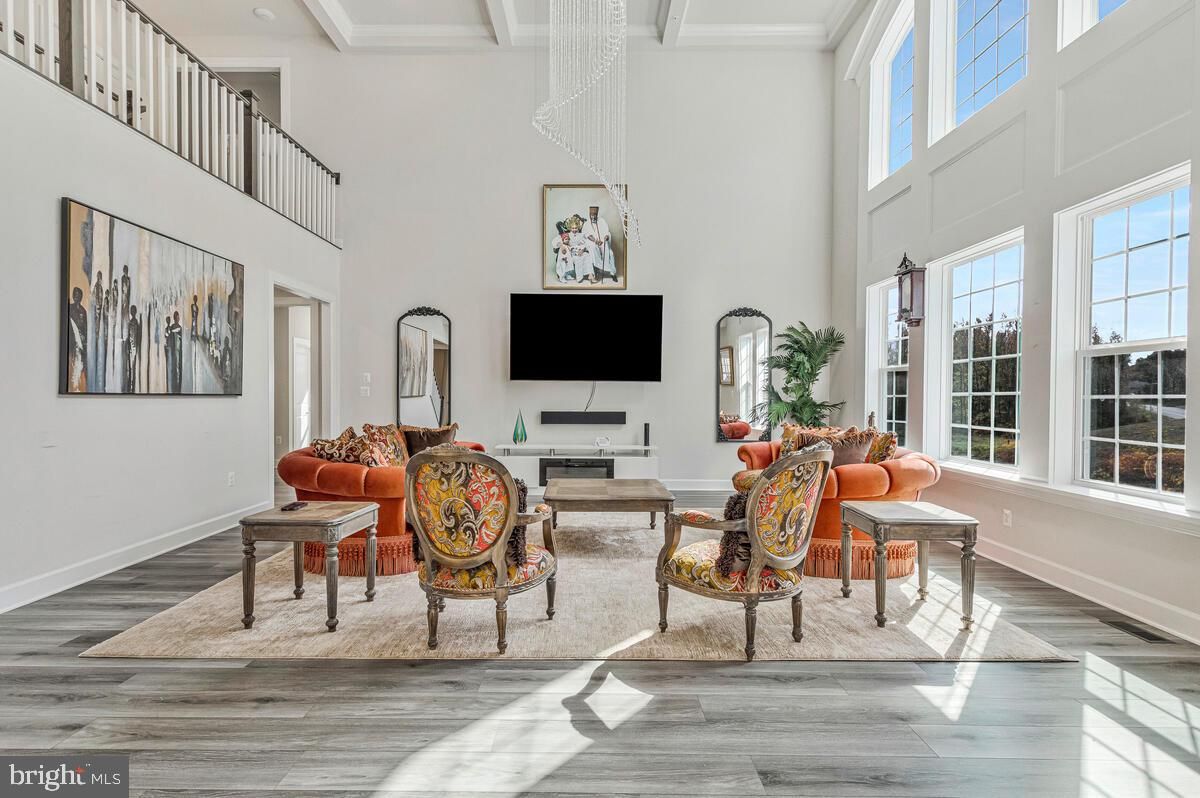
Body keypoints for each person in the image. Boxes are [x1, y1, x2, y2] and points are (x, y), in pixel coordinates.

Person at [584, 206, 617, 282]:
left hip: (603, 242)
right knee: (593, 249)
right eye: (591, 214)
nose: (593, 216)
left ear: (597, 214)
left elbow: (607, 232)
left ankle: (613, 273)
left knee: (611, 254)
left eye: (594, 214)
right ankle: (597, 271)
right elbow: (586, 235)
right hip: (593, 243)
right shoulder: (586, 224)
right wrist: (595, 241)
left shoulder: (602, 221)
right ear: (589, 214)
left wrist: (606, 237)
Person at [67, 287, 88, 391]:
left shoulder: (83, 311)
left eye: (78, 295)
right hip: (72, 342)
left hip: (81, 344)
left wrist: (84, 343)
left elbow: (85, 329)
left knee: (80, 367)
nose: (76, 296)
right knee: (72, 365)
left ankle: (78, 387)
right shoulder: (69, 309)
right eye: (74, 294)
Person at [124, 305, 141, 393]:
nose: (132, 312)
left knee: (133, 367)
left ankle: (132, 387)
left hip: (135, 348)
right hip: (130, 348)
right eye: (131, 310)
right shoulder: (129, 323)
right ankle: (129, 386)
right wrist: (127, 346)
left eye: (133, 310)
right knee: (129, 367)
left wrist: (137, 347)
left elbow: (138, 337)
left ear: (135, 312)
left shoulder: (136, 323)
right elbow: (128, 336)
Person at [165, 311, 183, 393]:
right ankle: (174, 387)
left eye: (178, 317)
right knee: (173, 369)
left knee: (178, 368)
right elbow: (167, 335)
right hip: (173, 350)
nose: (177, 319)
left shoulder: (179, 328)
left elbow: (177, 333)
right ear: (174, 318)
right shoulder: (172, 327)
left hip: (178, 350)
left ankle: (177, 387)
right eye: (176, 317)